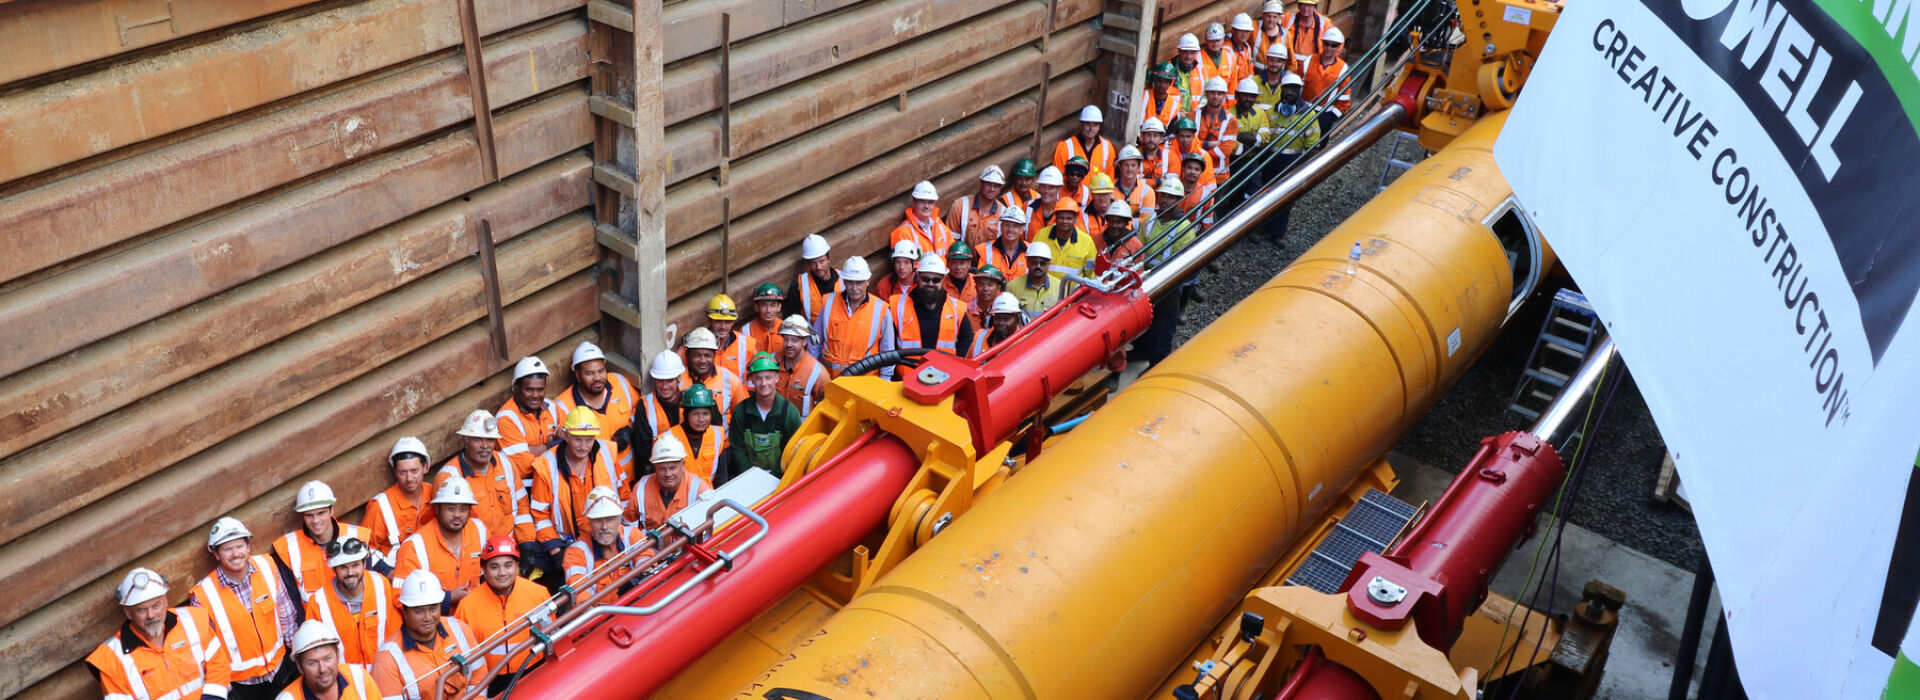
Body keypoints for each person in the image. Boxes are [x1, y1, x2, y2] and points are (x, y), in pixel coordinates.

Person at [193, 517, 298, 699]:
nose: (235, 554)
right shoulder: (203, 595)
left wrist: (296, 655)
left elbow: (286, 613)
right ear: (216, 554)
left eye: (239, 546)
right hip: (241, 688)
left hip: (281, 672)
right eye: (227, 549)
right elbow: (206, 651)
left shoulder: (267, 566)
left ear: (248, 547)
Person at [90, 568, 230, 700]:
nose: (151, 615)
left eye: (156, 605)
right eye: (141, 610)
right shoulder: (112, 659)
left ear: (165, 600)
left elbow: (218, 665)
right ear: (128, 612)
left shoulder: (192, 621)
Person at [527, 407, 630, 582]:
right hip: (570, 545)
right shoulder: (545, 466)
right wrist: (555, 549)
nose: (583, 446)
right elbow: (540, 515)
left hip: (610, 538)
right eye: (577, 440)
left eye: (588, 440)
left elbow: (624, 494)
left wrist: (624, 532)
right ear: (566, 436)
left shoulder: (606, 453)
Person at [453, 536, 545, 694]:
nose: (502, 573)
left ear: (517, 565)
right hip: (490, 681)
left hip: (533, 672)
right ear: (484, 569)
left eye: (508, 565)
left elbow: (552, 636)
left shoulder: (538, 594)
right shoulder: (467, 606)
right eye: (494, 567)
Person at [371, 572, 476, 700]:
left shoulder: (460, 629)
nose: (427, 617)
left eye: (432, 609)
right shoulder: (386, 660)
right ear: (405, 612)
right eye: (419, 611)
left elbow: (479, 676)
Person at [390, 475, 487, 612]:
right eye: (451, 509)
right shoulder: (415, 546)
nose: (457, 515)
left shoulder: (479, 530)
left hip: (475, 615)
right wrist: (448, 598)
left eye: (463, 509)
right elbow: (400, 598)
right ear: (437, 509)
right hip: (435, 626)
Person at [303, 537, 395, 666]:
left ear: (364, 564)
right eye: (343, 568)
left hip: (384, 670)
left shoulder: (380, 584)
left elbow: (394, 630)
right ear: (334, 569)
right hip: (347, 679)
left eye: (355, 565)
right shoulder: (318, 603)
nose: (350, 573)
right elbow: (317, 652)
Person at [273, 480, 374, 597]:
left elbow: (368, 582)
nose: (315, 520)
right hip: (313, 614)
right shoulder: (288, 548)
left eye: (321, 513)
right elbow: (292, 598)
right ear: (302, 516)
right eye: (309, 515)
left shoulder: (357, 536)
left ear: (332, 510)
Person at [553, 341, 638, 473]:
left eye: (601, 371)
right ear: (577, 374)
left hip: (631, 475)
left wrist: (629, 429)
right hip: (599, 480)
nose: (597, 378)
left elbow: (638, 410)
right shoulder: (563, 407)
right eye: (590, 373)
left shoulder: (620, 382)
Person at [434, 411, 517, 542]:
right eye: (477, 439)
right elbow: (445, 527)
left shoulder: (504, 463)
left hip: (506, 545)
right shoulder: (449, 477)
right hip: (473, 549)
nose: (484, 446)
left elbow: (521, 504)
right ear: (465, 441)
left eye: (490, 440)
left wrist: (527, 543)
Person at [1264, 72, 1321, 244]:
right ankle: (1261, 229)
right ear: (1282, 89)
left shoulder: (1308, 115)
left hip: (1292, 161)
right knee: (1265, 194)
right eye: (1287, 88)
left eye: (1294, 89)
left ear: (1299, 91)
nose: (1290, 92)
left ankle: (1277, 233)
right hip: (1270, 159)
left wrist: (1303, 168)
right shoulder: (1273, 112)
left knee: (1286, 198)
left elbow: (1313, 145)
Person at [811, 256, 893, 376]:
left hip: (863, 383)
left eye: (859, 283)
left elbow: (888, 352)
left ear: (867, 281)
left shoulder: (882, 310)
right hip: (831, 380)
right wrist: (812, 374)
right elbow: (815, 342)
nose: (854, 288)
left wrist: (885, 379)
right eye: (850, 282)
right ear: (844, 281)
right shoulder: (829, 302)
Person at [495, 356, 560, 509]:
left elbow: (573, 441)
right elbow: (525, 468)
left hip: (554, 485)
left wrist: (534, 450)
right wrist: (554, 445)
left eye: (540, 389)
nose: (536, 395)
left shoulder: (551, 407)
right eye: (529, 389)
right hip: (524, 493)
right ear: (516, 387)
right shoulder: (506, 419)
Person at [563, 486, 649, 599]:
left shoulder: (632, 535)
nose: (604, 527)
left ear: (619, 519)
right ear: (589, 522)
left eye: (609, 520)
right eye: (598, 521)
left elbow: (647, 565)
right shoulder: (575, 553)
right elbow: (580, 595)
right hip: (601, 614)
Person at [728, 352, 805, 479]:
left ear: (776, 378)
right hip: (747, 478)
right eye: (758, 378)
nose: (763, 383)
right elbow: (737, 449)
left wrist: (774, 476)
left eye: (768, 378)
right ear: (752, 379)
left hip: (780, 478)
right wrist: (751, 476)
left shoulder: (790, 413)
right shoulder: (741, 411)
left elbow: (793, 451)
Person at [889, 254, 975, 357]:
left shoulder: (957, 308)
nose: (930, 283)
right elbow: (888, 343)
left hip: (944, 371)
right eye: (925, 279)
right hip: (909, 370)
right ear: (918, 277)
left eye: (935, 280)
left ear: (943, 279)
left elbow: (967, 338)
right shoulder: (897, 306)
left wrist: (956, 362)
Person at [364, 437, 434, 563]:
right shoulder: (380, 506)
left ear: (426, 467)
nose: (409, 478)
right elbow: (365, 548)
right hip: (394, 571)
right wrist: (388, 573)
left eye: (414, 471)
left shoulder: (435, 495)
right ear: (395, 472)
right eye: (403, 472)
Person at [279, 620, 379, 700]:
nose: (322, 669)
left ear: (337, 655)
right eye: (312, 663)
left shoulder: (358, 676)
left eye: (327, 659)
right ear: (300, 666)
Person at [636, 436, 709, 530]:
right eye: (662, 469)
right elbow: (629, 527)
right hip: (650, 544)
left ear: (683, 466)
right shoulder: (641, 489)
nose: (668, 474)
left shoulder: (700, 490)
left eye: (672, 468)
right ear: (655, 467)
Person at [665, 384, 727, 486]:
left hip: (709, 497)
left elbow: (721, 478)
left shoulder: (717, 435)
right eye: (695, 414)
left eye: (705, 414)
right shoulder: (669, 439)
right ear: (686, 415)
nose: (701, 420)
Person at [681, 327, 743, 420]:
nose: (702, 360)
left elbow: (742, 416)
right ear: (688, 355)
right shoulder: (678, 381)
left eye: (707, 355)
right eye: (697, 355)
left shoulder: (731, 380)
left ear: (714, 355)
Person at [636, 350, 687, 456]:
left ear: (678, 379)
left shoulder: (688, 399)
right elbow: (643, 448)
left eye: (669, 381)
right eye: (660, 381)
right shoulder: (644, 405)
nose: (664, 386)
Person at [1303, 26, 1351, 137]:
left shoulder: (1343, 68)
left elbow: (1344, 100)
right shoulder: (1309, 61)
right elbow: (1296, 87)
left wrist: (1330, 117)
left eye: (1333, 45)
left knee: (1317, 149)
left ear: (1339, 47)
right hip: (1304, 111)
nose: (1329, 48)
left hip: (1324, 114)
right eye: (1326, 44)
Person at [783, 234, 843, 322]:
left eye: (821, 261)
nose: (818, 267)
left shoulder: (845, 280)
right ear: (808, 263)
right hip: (812, 334)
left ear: (828, 258)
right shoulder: (799, 285)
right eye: (813, 263)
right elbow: (791, 320)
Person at [774, 317, 827, 416]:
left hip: (802, 430)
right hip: (774, 427)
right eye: (786, 339)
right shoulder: (772, 361)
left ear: (804, 341)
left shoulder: (818, 373)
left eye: (794, 340)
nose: (789, 344)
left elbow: (826, 407)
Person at [1035, 200, 1097, 284]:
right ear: (1055, 217)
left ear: (1075, 218)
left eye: (1069, 218)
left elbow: (1092, 276)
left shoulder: (1087, 242)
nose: (1065, 221)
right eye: (1061, 218)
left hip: (1073, 295)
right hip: (1044, 292)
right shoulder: (1041, 235)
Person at [945, 166, 1007, 248]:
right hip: (962, 258)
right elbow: (950, 240)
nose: (992, 189)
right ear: (981, 183)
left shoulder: (1004, 213)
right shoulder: (960, 206)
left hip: (989, 260)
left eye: (996, 186)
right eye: (988, 183)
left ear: (1000, 188)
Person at [701, 293, 757, 382]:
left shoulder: (747, 344)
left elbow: (757, 375)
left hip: (739, 395)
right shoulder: (697, 343)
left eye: (727, 322)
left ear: (733, 322)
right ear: (709, 320)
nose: (723, 327)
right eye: (718, 321)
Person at [888, 180, 956, 253]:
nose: (926, 206)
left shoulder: (939, 225)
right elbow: (903, 263)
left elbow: (952, 254)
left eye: (930, 202)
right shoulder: (903, 233)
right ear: (913, 202)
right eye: (922, 202)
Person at [1051, 105, 1116, 178]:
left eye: (1095, 125)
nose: (1091, 128)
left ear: (1099, 127)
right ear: (1081, 125)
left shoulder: (1107, 148)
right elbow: (1057, 178)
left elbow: (1110, 178)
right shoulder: (1065, 147)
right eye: (1087, 124)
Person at [1005, 242, 1064, 319]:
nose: (1038, 266)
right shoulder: (1012, 287)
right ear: (1027, 262)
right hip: (1023, 331)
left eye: (1042, 263)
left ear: (1049, 263)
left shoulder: (1060, 287)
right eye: (1034, 263)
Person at [1197, 76, 1240, 180]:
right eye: (1212, 93)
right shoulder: (1194, 115)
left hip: (1219, 176)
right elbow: (1188, 143)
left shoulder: (1231, 120)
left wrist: (1199, 148)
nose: (1215, 96)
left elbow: (1225, 151)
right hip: (1196, 175)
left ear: (1225, 95)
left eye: (1219, 93)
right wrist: (1208, 144)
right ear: (1206, 94)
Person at [977, 208, 1029, 282]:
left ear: (1022, 230)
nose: (1010, 229)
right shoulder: (985, 250)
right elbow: (981, 280)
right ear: (1001, 227)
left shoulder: (1030, 251)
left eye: (1015, 226)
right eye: (1007, 225)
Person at [1112, 146, 1158, 222]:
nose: (1129, 169)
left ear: (1138, 167)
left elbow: (1146, 222)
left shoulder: (1147, 192)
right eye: (1126, 165)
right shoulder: (1109, 188)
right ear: (1120, 166)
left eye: (1133, 165)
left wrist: (1122, 223)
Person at [1200, 24, 1244, 99]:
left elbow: (1233, 86)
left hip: (1224, 107)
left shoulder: (1229, 57)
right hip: (1204, 105)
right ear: (1206, 40)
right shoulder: (1198, 57)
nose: (1215, 44)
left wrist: (1230, 107)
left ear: (1223, 39)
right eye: (1212, 41)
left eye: (1218, 40)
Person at [1024, 166, 1068, 241]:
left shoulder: (1066, 210)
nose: (1046, 191)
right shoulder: (1028, 207)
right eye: (1043, 186)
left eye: (1051, 187)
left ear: (1059, 189)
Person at [1171, 33, 1211, 115]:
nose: (1188, 56)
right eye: (1185, 52)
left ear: (1197, 52)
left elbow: (1206, 96)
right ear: (1179, 51)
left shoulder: (1203, 70)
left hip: (1195, 116)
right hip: (1172, 116)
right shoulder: (1169, 69)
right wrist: (1177, 112)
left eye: (1192, 53)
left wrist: (1196, 112)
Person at [1284, 0, 1327, 73]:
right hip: (1289, 66)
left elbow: (1337, 41)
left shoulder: (1324, 23)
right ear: (1299, 6)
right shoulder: (1288, 19)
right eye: (1303, 5)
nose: (1306, 8)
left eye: (1309, 6)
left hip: (1312, 67)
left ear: (1315, 8)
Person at [745, 283, 787, 359]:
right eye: (763, 305)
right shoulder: (747, 330)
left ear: (779, 307)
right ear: (757, 307)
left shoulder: (786, 328)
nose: (768, 310)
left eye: (773, 305)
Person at [1138, 62, 1182, 128]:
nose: (1162, 85)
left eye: (1165, 82)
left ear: (1170, 84)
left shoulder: (1174, 104)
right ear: (1154, 80)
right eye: (1159, 81)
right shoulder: (1144, 95)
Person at [1080, 174, 1118, 248]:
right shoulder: (1082, 215)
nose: (1102, 198)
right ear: (1092, 194)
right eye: (1098, 194)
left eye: (1105, 194)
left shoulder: (1121, 212)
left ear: (1111, 194)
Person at [1252, 44, 1293, 111]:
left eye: (1278, 61)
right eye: (1271, 60)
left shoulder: (1288, 84)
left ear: (1284, 63)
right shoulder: (1254, 81)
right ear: (1267, 60)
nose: (1274, 64)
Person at [1138, 117, 1176, 185]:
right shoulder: (1135, 155)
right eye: (1148, 135)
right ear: (1142, 136)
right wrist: (1158, 182)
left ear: (1161, 138)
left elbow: (1173, 182)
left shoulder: (1170, 156)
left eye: (1155, 136)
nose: (1151, 139)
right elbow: (1133, 182)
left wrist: (1144, 181)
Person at [1254, 0, 1290, 71]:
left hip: (1277, 76)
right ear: (1263, 15)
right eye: (1268, 16)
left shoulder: (1286, 35)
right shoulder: (1254, 28)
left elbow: (1291, 63)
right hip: (1256, 74)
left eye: (1274, 17)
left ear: (1279, 18)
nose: (1271, 20)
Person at [941, 241, 978, 309]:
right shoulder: (941, 285)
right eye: (954, 263)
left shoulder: (977, 283)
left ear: (969, 264)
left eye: (962, 263)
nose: (958, 267)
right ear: (947, 264)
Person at [1229, 13, 1259, 81]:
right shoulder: (1227, 50)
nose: (1244, 34)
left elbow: (1250, 71)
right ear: (1233, 30)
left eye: (1246, 31)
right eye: (1241, 30)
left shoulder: (1247, 47)